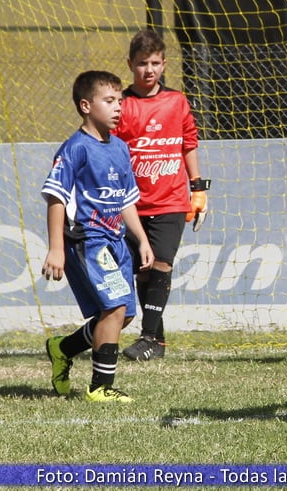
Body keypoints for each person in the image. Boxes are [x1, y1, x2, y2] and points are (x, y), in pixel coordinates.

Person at [42, 70, 154, 402]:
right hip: (87, 241)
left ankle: (63, 348)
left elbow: (126, 201)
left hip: (116, 240)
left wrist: (142, 239)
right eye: (110, 101)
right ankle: (100, 387)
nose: (118, 107)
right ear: (86, 105)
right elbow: (55, 197)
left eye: (120, 100)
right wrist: (55, 249)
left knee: (125, 314)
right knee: (116, 307)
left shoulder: (120, 148)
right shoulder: (75, 148)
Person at [116, 29, 209, 361]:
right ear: (130, 64)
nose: (149, 70)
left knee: (162, 263)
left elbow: (189, 144)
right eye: (142, 63)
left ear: (164, 64)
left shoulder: (176, 101)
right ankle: (158, 340)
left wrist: (198, 188)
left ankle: (148, 337)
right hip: (133, 203)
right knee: (143, 269)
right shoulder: (121, 105)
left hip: (171, 200)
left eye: (155, 63)